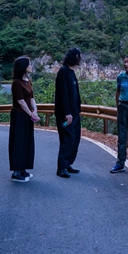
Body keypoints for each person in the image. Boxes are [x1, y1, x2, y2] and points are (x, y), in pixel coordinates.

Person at [9, 56, 39, 183]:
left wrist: (34, 110)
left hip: (27, 115)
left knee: (27, 141)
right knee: (18, 142)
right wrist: (31, 114)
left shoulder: (28, 81)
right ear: (23, 66)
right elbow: (20, 101)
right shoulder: (17, 82)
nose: (31, 66)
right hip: (19, 115)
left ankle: (23, 169)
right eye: (29, 64)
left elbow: (31, 98)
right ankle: (16, 172)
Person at [54, 47, 82, 178]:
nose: (80, 59)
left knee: (75, 139)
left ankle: (68, 163)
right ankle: (61, 167)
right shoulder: (63, 71)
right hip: (66, 115)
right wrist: (67, 112)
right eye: (79, 56)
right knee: (67, 139)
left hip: (75, 113)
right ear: (74, 57)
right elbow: (63, 94)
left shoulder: (71, 72)